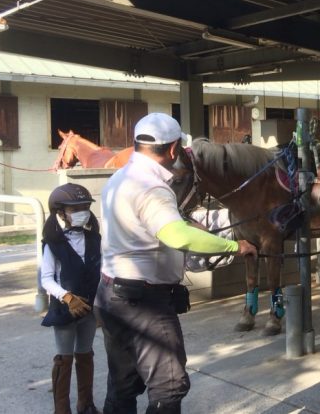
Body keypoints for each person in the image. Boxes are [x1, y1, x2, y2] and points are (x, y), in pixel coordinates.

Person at [94, 113, 258, 414]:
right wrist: (235, 246)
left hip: (111, 295)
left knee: (123, 383)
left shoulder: (121, 177)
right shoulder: (152, 187)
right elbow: (176, 236)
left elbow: (153, 223)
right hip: (144, 302)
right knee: (169, 387)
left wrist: (187, 223)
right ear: (173, 150)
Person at [41, 183, 102, 414]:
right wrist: (67, 297)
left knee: (86, 355)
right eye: (75, 209)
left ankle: (86, 404)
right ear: (61, 212)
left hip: (89, 309)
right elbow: (46, 279)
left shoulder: (95, 239)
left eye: (85, 207)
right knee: (64, 359)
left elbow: (102, 272)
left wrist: (101, 306)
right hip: (65, 309)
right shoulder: (53, 244)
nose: (81, 212)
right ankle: (61, 409)